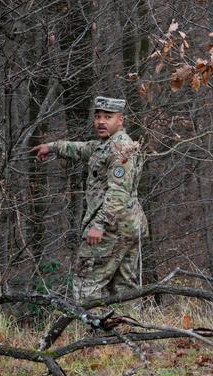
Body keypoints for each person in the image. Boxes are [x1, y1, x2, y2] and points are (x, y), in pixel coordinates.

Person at [31, 96, 148, 309]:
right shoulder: (106, 145)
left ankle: (94, 333)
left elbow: (118, 193)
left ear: (120, 120)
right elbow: (82, 148)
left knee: (86, 282)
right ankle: (128, 334)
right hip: (128, 226)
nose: (101, 122)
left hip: (112, 228)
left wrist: (99, 224)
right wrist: (52, 147)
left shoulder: (121, 150)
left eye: (108, 117)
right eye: (98, 117)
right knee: (125, 288)